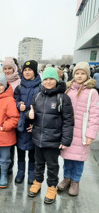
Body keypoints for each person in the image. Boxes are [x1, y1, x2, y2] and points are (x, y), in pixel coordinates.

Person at [27, 67, 74, 204]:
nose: (48, 82)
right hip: (38, 139)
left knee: (53, 166)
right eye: (45, 79)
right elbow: (32, 114)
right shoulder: (37, 96)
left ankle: (52, 187)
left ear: (57, 79)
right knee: (38, 163)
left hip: (53, 140)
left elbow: (68, 121)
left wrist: (65, 140)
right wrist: (28, 116)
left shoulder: (63, 98)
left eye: (51, 79)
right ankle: (37, 182)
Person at [58, 62, 99, 196]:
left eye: (82, 73)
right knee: (67, 157)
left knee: (78, 159)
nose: (79, 76)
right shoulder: (68, 90)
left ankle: (75, 181)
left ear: (87, 75)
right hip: (68, 131)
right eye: (77, 73)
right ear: (73, 74)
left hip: (82, 133)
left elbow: (94, 115)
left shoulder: (92, 92)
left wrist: (90, 135)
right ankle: (66, 178)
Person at [14, 60, 41, 185]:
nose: (27, 72)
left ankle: (31, 172)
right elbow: (15, 100)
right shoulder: (19, 87)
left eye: (30, 70)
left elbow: (43, 106)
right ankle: (20, 171)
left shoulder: (41, 87)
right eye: (25, 70)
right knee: (20, 149)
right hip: (21, 123)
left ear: (35, 71)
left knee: (32, 151)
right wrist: (19, 105)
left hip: (34, 124)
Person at [2, 57, 21, 174]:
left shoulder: (19, 82)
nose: (7, 71)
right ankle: (3, 164)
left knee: (13, 142)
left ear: (14, 69)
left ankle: (10, 166)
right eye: (5, 68)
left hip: (15, 115)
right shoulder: (0, 80)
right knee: (5, 142)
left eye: (10, 68)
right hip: (3, 116)